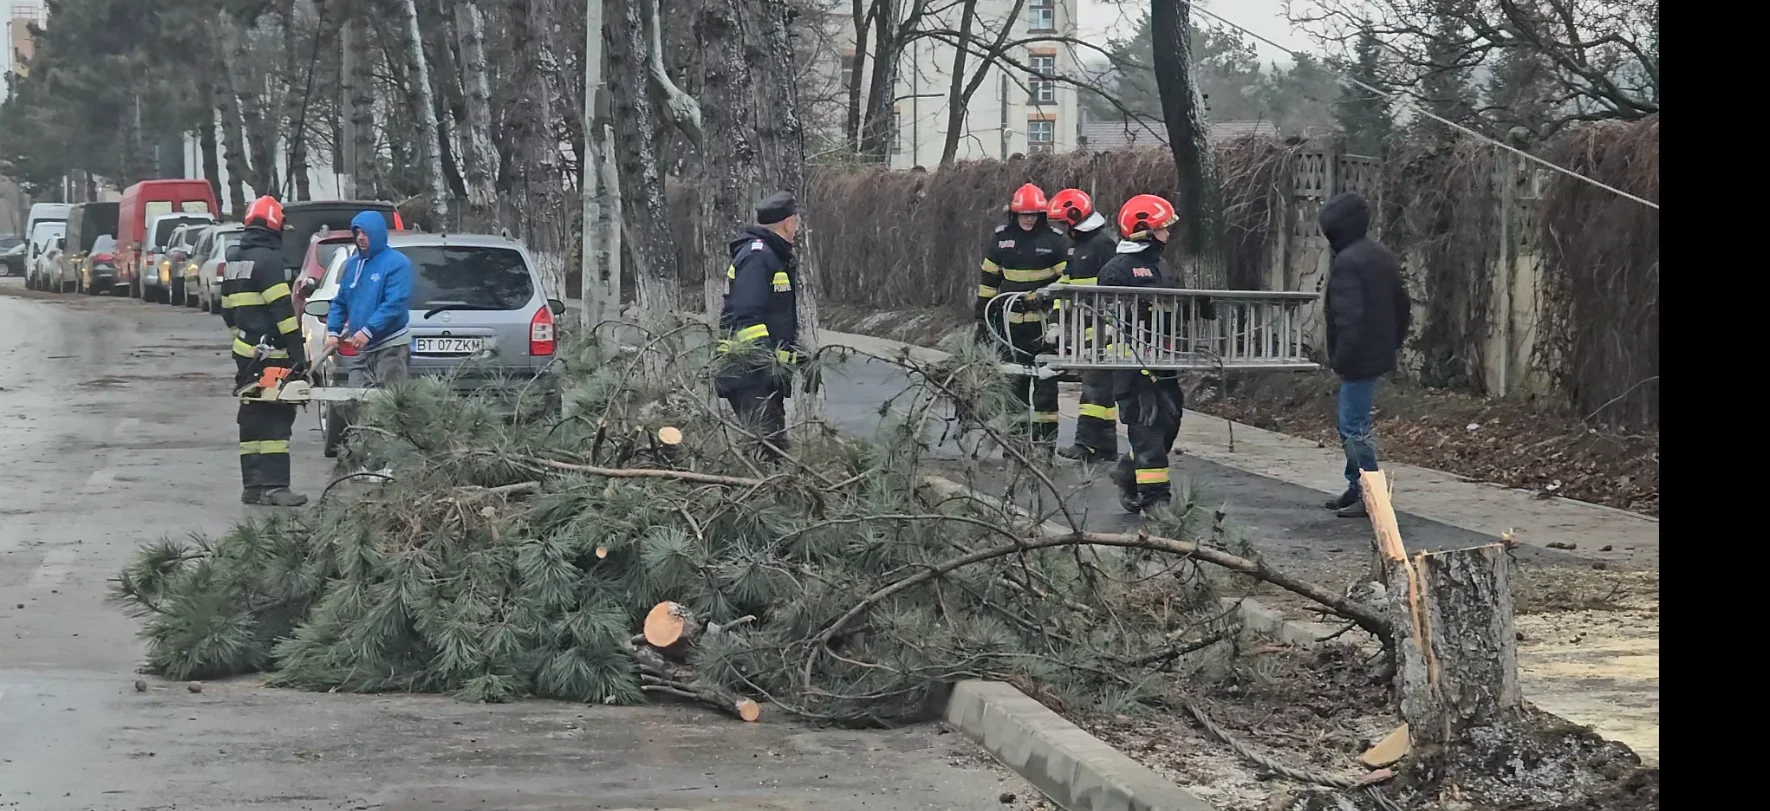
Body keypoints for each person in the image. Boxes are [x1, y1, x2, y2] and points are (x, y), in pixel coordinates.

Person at [1097, 194, 1213, 515]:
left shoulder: (1159, 265)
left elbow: (1169, 309)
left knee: (1168, 424)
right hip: (1132, 365)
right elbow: (1114, 314)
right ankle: (1156, 500)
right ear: (1143, 230)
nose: (1168, 234)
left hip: (1163, 361)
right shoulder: (1115, 269)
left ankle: (1128, 472)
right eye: (1163, 228)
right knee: (1146, 430)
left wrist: (1193, 305)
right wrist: (1148, 309)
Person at [1318, 191, 1411, 518]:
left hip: (1357, 358)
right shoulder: (1380, 254)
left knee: (1353, 427)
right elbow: (1403, 306)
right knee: (1353, 424)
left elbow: (1348, 318)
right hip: (1377, 351)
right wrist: (1392, 343)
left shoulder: (1347, 262)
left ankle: (1370, 492)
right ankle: (1357, 485)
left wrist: (1340, 358)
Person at [221, 196, 310, 507]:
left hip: (246, 355)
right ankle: (276, 487)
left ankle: (254, 487)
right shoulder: (270, 262)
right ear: (275, 226)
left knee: (251, 417)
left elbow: (227, 311)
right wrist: (298, 354)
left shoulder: (234, 259)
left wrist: (243, 341)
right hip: (271, 355)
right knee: (275, 417)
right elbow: (283, 314)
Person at [975, 183, 1068, 448]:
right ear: (1014, 214)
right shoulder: (1001, 239)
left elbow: (1067, 282)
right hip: (1009, 327)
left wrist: (1048, 305)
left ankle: (1045, 447)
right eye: (1023, 214)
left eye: (1033, 214)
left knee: (1046, 388)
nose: (1028, 218)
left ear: (1042, 214)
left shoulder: (1055, 241)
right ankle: (1015, 447)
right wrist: (982, 316)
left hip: (1044, 328)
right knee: (1014, 387)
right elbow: (988, 280)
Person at [715, 191, 802, 460]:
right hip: (750, 373)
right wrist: (767, 361)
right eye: (796, 221)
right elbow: (746, 316)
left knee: (771, 450)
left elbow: (774, 318)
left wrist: (799, 358)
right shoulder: (758, 257)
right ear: (789, 223)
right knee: (768, 454)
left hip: (761, 375)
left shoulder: (771, 256)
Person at [1045, 188, 1119, 463]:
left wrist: (1112, 324)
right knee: (1100, 390)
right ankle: (1106, 446)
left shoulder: (1102, 245)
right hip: (1085, 329)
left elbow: (1116, 289)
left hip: (1103, 331)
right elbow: (1064, 285)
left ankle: (1086, 444)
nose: (1063, 229)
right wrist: (1055, 321)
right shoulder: (1077, 247)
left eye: (1065, 223)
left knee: (1094, 389)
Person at [325, 211, 413, 388]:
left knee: (389, 403)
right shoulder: (352, 265)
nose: (360, 238)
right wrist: (333, 331)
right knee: (353, 400)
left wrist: (368, 330)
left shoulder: (397, 263)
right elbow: (341, 301)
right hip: (364, 349)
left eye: (365, 233)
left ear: (377, 233)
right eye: (357, 233)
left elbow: (394, 303)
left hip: (391, 347)